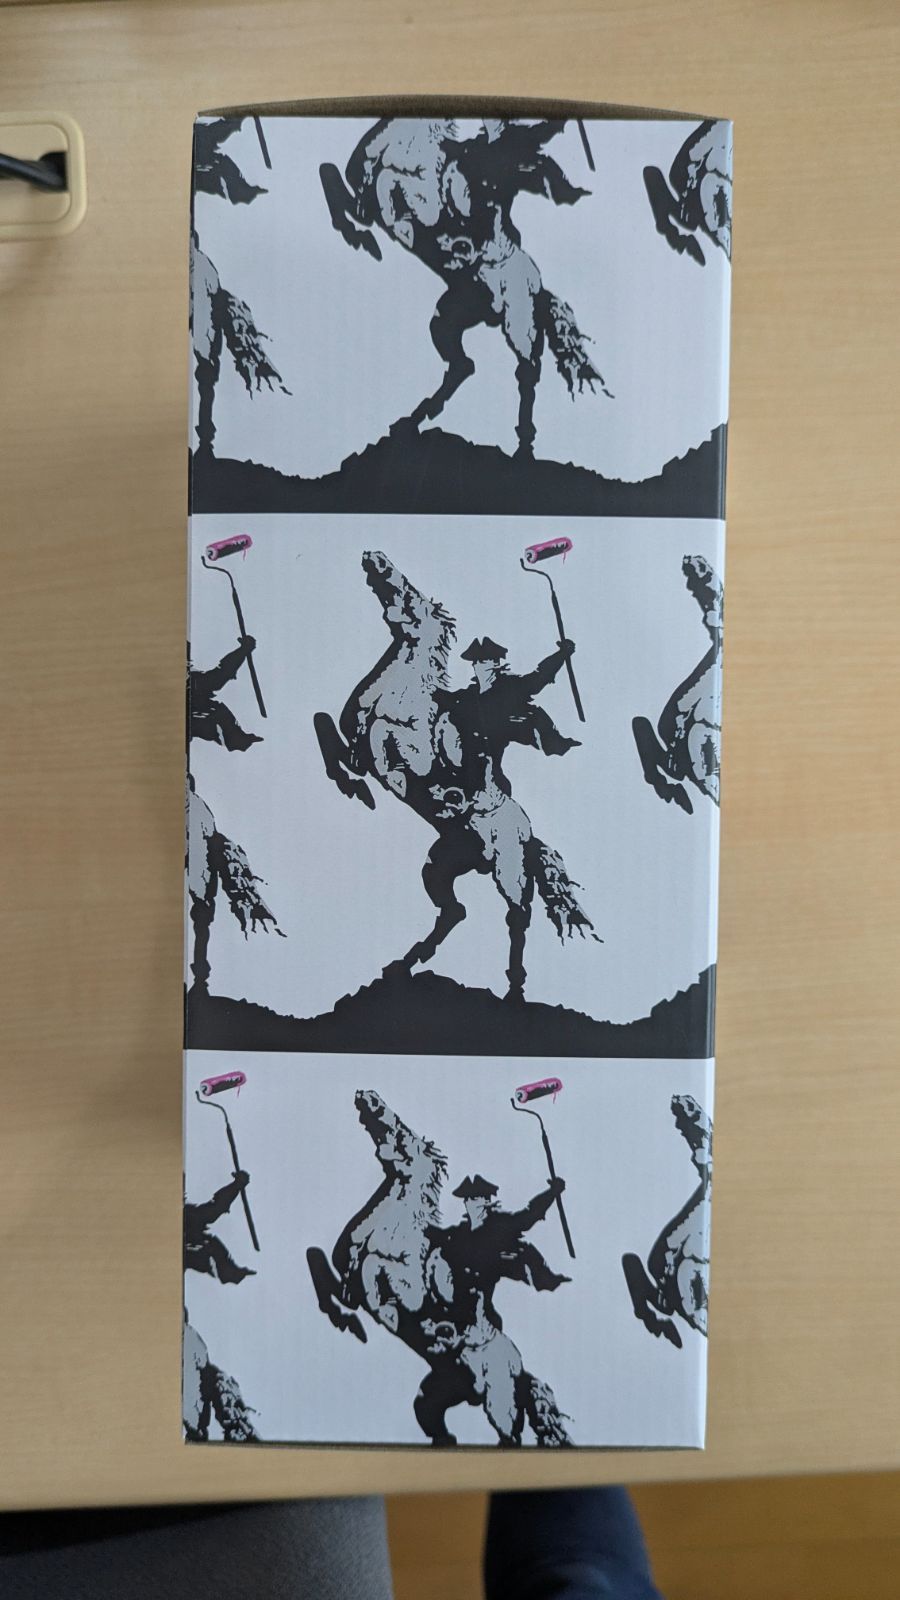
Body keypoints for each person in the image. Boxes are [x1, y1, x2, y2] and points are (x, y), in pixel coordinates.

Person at [436, 635, 580, 798]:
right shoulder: (469, 695)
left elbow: (538, 678)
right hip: (470, 754)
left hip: (503, 737)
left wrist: (562, 654)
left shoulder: (510, 686)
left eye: (483, 661)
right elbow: (444, 700)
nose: (477, 666)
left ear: (495, 663)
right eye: (475, 662)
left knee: (494, 778)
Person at [429, 1172, 571, 1332]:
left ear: (486, 1201)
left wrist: (551, 1193)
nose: (469, 1203)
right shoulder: (459, 1234)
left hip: (485, 1298)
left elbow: (527, 1216)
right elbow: (437, 1237)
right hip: (457, 1305)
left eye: (475, 1198)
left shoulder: (500, 1225)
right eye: (467, 1199)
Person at [188, 635, 262, 751]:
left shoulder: (196, 683)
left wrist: (244, 650)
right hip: (180, 708)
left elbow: (221, 674)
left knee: (215, 697)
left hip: (190, 700)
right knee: (212, 686)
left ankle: (238, 740)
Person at [183, 1170, 255, 1284]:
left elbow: (216, 1207)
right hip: (181, 1245)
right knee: (206, 1227)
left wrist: (236, 1185)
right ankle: (231, 1273)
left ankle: (231, 1273)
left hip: (186, 1228)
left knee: (206, 1218)